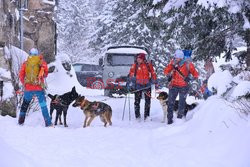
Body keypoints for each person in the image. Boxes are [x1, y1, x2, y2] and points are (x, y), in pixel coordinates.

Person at [18, 48, 52, 127]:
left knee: (24, 105)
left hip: (28, 89)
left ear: (29, 54)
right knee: (43, 106)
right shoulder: (42, 63)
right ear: (37, 54)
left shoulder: (26, 63)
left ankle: (20, 122)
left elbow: (21, 75)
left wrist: (25, 84)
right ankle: (48, 123)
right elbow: (46, 75)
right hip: (39, 88)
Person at [164, 49, 199, 124]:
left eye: (176, 57)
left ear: (181, 57)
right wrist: (168, 74)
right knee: (170, 103)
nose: (175, 58)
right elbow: (166, 71)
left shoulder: (188, 64)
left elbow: (196, 75)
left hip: (183, 86)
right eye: (175, 57)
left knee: (181, 103)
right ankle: (169, 120)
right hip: (173, 85)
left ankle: (179, 120)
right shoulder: (173, 62)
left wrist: (190, 79)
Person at [129, 53, 157, 121]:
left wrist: (154, 81)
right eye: (137, 58)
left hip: (147, 85)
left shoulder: (148, 65)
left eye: (140, 58)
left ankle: (147, 116)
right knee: (137, 102)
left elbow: (153, 73)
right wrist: (131, 81)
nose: (138, 60)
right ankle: (137, 116)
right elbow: (131, 74)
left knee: (147, 101)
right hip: (138, 85)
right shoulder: (134, 65)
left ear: (143, 59)